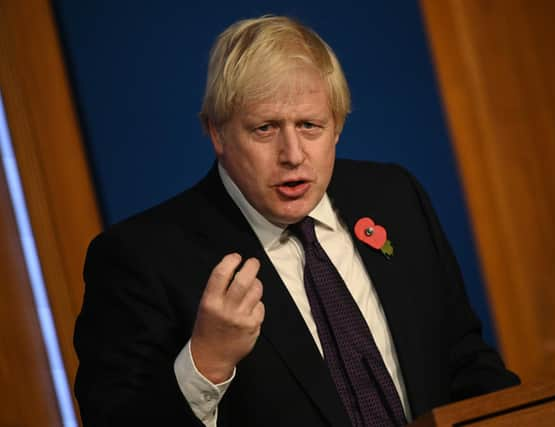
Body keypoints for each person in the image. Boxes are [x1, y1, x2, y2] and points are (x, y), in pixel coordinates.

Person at [74, 15, 519, 427]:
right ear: (216, 132)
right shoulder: (143, 258)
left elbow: (462, 359)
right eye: (265, 128)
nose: (293, 155)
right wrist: (205, 363)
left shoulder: (394, 198)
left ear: (338, 125)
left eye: (310, 126)